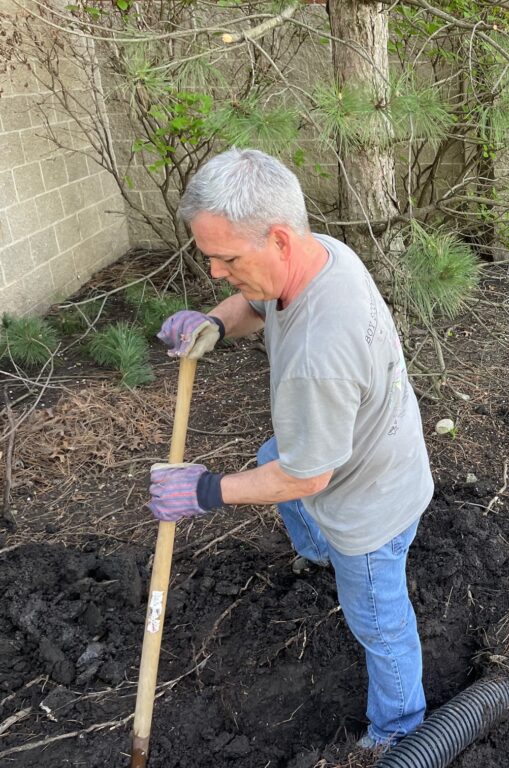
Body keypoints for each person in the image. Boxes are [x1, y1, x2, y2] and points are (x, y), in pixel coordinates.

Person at [147, 148, 434, 749]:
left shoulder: (319, 356)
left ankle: (398, 734)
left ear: (277, 237)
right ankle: (318, 553)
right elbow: (255, 304)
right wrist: (215, 323)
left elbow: (305, 478)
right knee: (271, 452)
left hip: (370, 504)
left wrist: (204, 490)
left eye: (225, 258)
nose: (217, 273)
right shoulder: (317, 253)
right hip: (364, 439)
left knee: (381, 625)